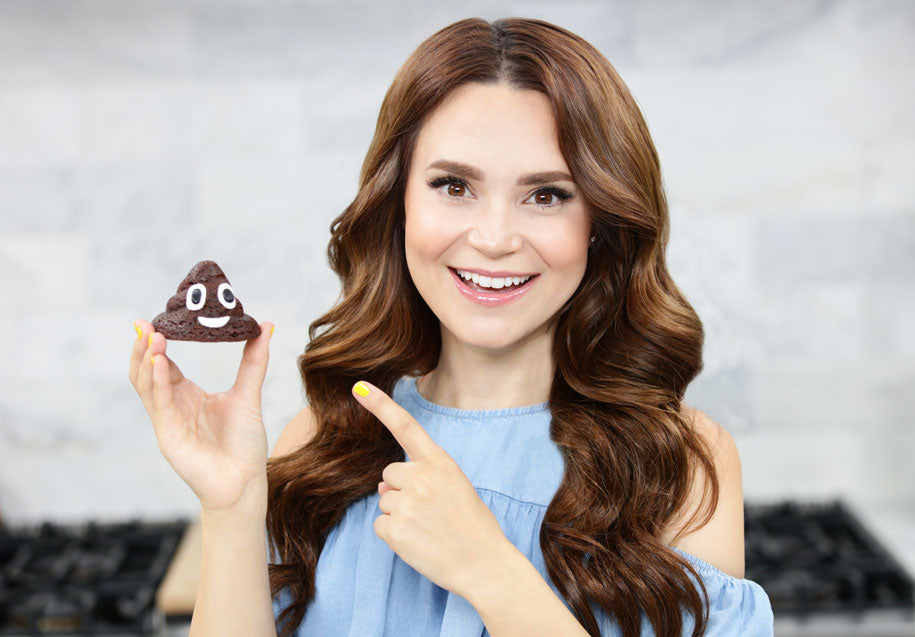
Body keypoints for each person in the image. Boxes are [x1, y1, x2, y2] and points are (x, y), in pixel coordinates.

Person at [129, 16, 774, 637]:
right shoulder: (328, 439)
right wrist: (233, 506)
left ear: (602, 223)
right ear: (398, 202)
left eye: (546, 193)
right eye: (453, 185)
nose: (493, 238)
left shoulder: (681, 464)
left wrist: (488, 570)